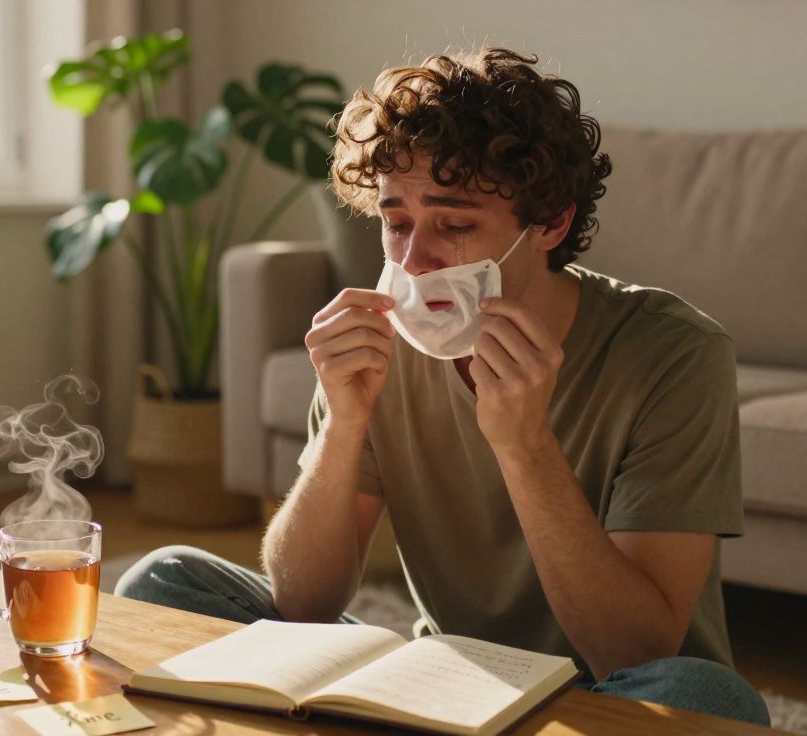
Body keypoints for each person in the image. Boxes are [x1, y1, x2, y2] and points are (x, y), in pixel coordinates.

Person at [117, 47, 770, 726]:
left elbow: (633, 649)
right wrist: (343, 424)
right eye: (396, 223)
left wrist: (524, 446)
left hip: (604, 698)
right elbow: (303, 605)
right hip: (446, 682)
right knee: (163, 581)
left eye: (454, 225)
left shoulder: (675, 353)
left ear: (551, 222)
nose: (413, 261)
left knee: (709, 699)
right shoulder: (380, 343)